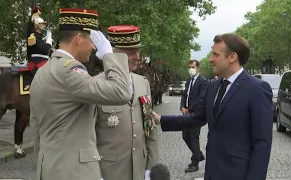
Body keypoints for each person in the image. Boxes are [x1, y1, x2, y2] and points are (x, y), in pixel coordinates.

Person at [152, 33, 273, 180]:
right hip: (212, 172)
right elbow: (197, 118)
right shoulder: (213, 87)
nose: (210, 59)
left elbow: (262, 144)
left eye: (215, 54)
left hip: (238, 174)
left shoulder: (257, 89)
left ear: (232, 57)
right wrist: (160, 119)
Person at [29, 8, 131, 180]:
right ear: (78, 38)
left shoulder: (43, 71)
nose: (93, 47)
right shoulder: (70, 70)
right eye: (91, 41)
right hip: (74, 172)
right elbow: (121, 92)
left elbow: (36, 128)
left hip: (51, 168)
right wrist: (109, 56)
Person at [95, 25, 159, 180]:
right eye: (130, 52)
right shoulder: (96, 85)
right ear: (113, 54)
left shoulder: (143, 83)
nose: (137, 57)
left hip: (139, 169)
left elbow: (149, 130)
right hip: (109, 171)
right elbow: (87, 136)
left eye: (137, 51)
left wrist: (151, 167)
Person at [180, 59, 208, 172]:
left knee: (193, 137)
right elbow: (184, 95)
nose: (191, 69)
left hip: (196, 114)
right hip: (186, 113)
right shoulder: (188, 80)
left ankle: (194, 163)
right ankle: (199, 155)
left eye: (193, 67)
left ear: (198, 68)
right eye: (189, 67)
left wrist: (189, 109)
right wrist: (182, 107)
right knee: (185, 136)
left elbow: (201, 98)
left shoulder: (203, 81)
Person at [26, 6, 52, 76]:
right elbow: (45, 49)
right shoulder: (32, 37)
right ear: (37, 25)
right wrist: (49, 41)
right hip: (36, 64)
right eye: (43, 23)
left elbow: (48, 52)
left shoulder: (41, 38)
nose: (44, 25)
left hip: (44, 62)